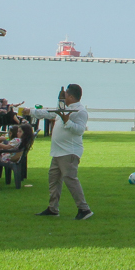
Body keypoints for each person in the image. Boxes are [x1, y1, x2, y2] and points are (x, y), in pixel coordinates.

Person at [33, 84, 91, 220]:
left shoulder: (80, 111)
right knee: (53, 179)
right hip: (57, 152)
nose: (62, 98)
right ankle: (53, 208)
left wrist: (67, 121)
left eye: (65, 95)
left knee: (70, 179)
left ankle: (84, 209)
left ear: (71, 96)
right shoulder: (64, 108)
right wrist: (30, 112)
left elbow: (79, 130)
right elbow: (49, 113)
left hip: (69, 152)